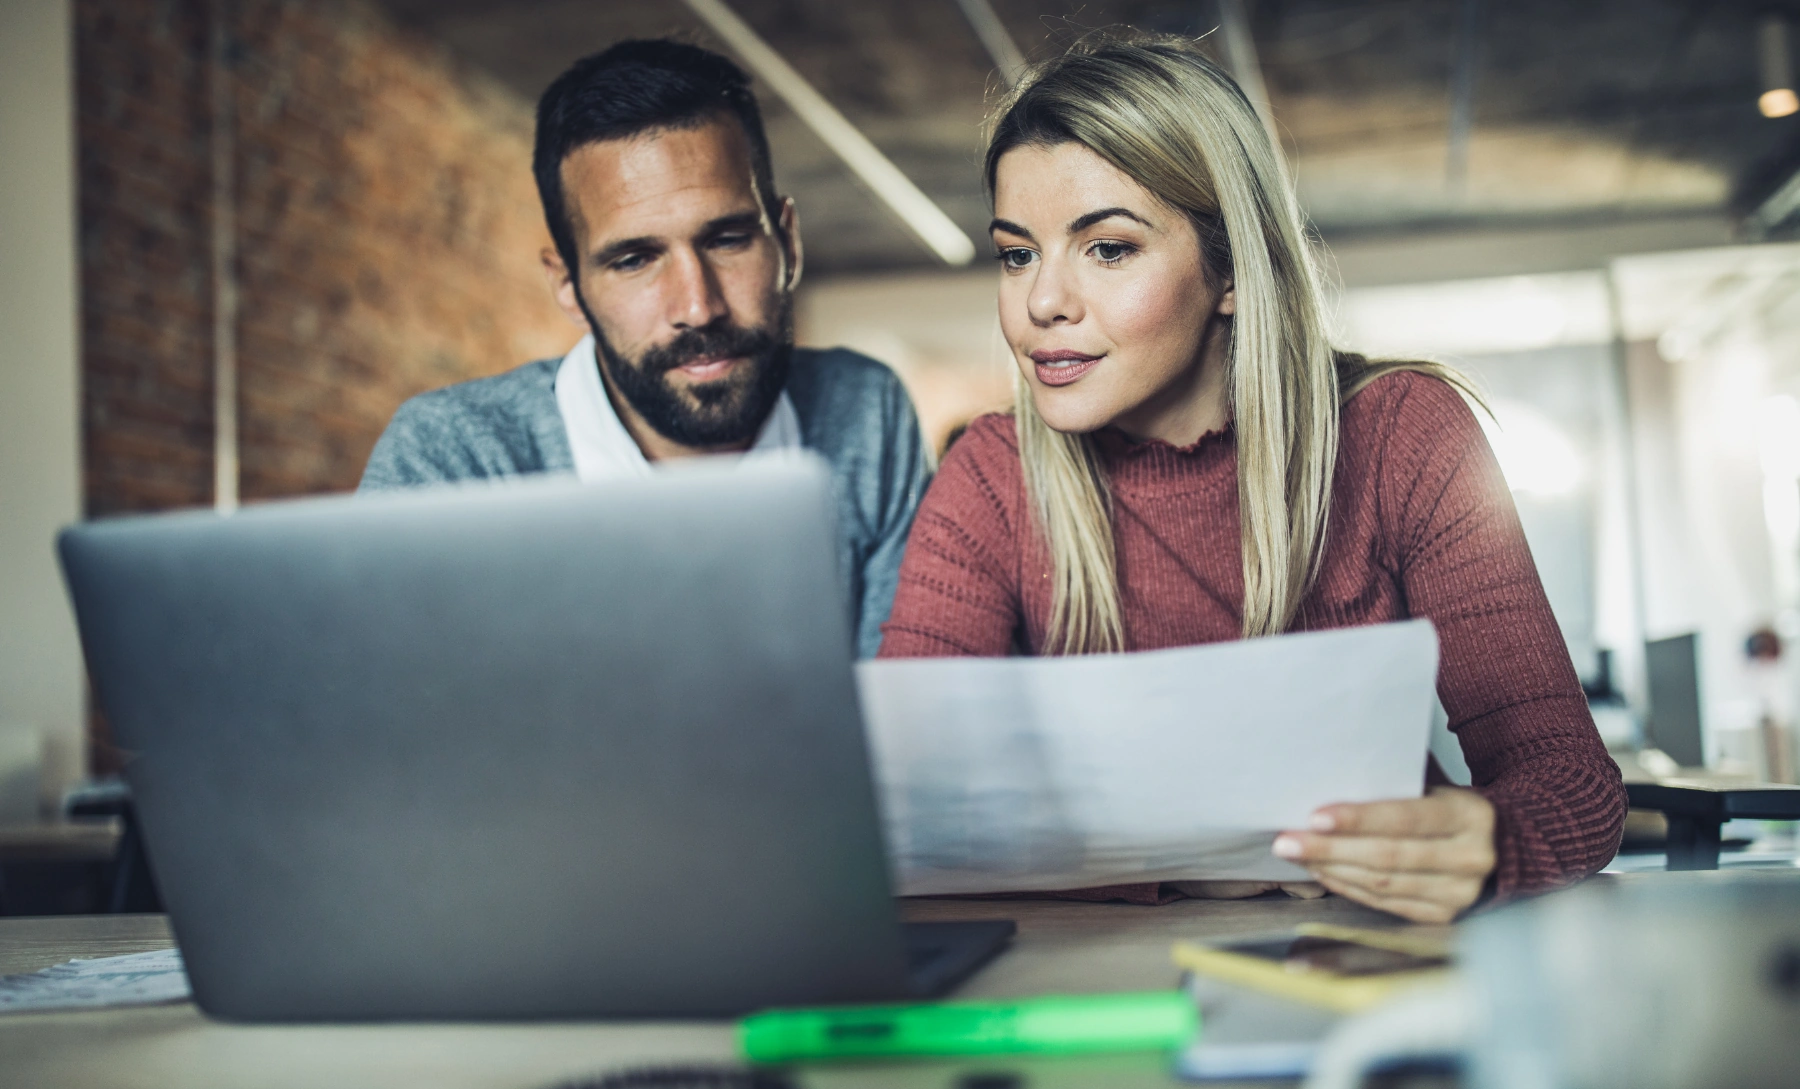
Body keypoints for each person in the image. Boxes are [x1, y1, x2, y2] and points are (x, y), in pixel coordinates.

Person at [878, 32, 1626, 923]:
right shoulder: (991, 476)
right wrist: (1185, 861)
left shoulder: (1399, 433)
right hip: (1100, 979)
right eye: (1017, 254)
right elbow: (900, 815)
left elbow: (1571, 782)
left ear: (1230, 269)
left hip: (1361, 950)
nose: (1042, 302)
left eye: (1108, 249)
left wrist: (1490, 841)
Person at [360, 40, 927, 657]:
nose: (698, 307)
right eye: (634, 260)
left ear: (787, 244)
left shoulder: (864, 411)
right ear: (569, 286)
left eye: (728, 240)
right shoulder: (456, 461)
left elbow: (900, 700)